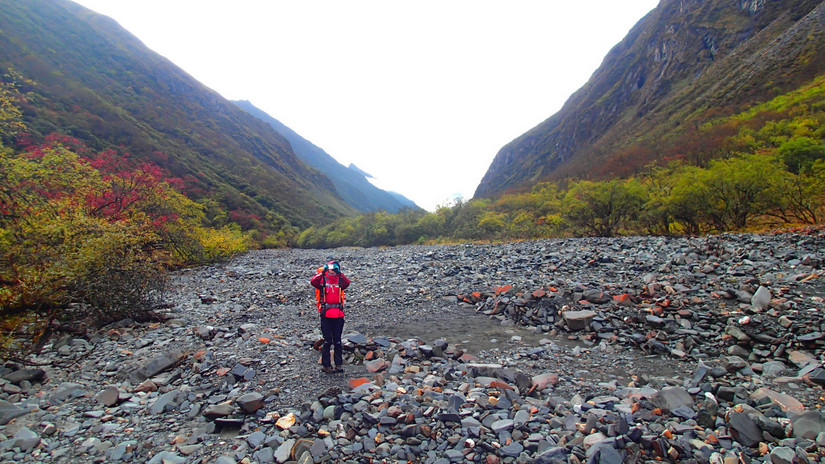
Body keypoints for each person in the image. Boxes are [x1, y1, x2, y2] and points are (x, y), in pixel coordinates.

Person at [310, 260, 350, 373]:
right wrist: (323, 272)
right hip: (326, 314)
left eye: (334, 268)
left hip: (338, 314)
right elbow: (313, 282)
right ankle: (326, 366)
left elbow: (347, 283)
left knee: (337, 341)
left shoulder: (340, 280)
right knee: (327, 341)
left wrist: (339, 272)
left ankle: (338, 365)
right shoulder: (322, 280)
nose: (332, 270)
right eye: (331, 268)